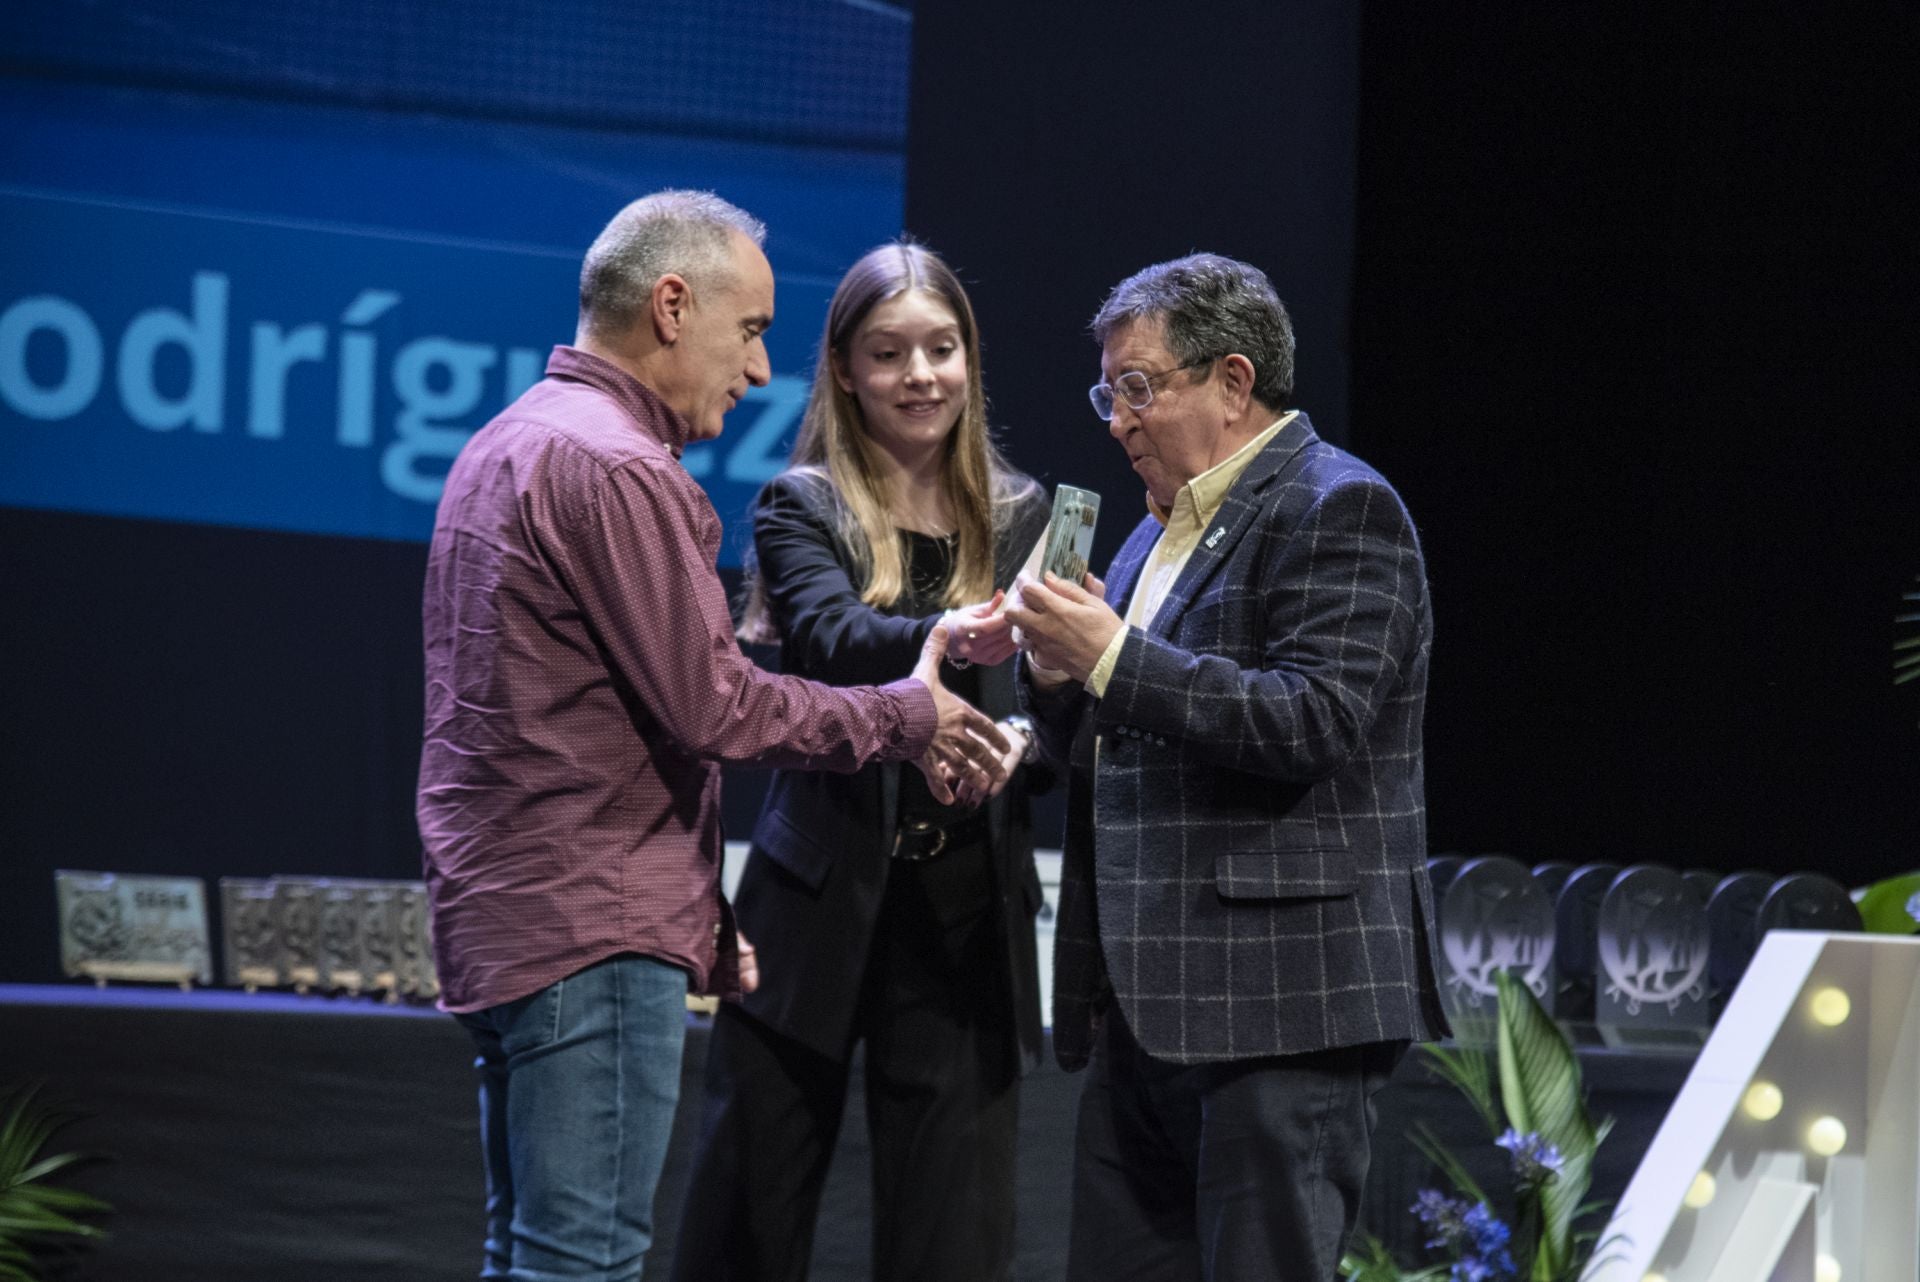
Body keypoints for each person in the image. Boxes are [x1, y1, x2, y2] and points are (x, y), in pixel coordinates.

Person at [416, 193, 1009, 1282]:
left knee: (531, 1255)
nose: (757, 368)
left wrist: (697, 907)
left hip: (509, 918)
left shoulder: (508, 442)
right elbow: (722, 708)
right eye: (750, 330)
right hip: (588, 930)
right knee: (582, 1264)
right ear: (673, 306)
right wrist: (908, 713)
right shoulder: (621, 469)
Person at [1004, 253, 1449, 1281]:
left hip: (1282, 1012)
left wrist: (1110, 654)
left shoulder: (1342, 506)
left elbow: (1314, 720)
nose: (1117, 419)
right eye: (1108, 389)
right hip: (1147, 1010)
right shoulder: (1152, 537)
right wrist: (1058, 675)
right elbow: (1105, 748)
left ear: (1233, 383)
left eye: (1139, 386)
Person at [671, 242, 1051, 1282]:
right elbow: (833, 642)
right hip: (818, 907)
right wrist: (963, 635)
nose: (920, 375)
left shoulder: (1027, 518)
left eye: (942, 348)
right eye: (890, 353)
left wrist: (1023, 742)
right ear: (843, 370)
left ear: (971, 360)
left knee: (954, 1244)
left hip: (967, 920)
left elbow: (1065, 711)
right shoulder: (801, 504)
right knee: (746, 1219)